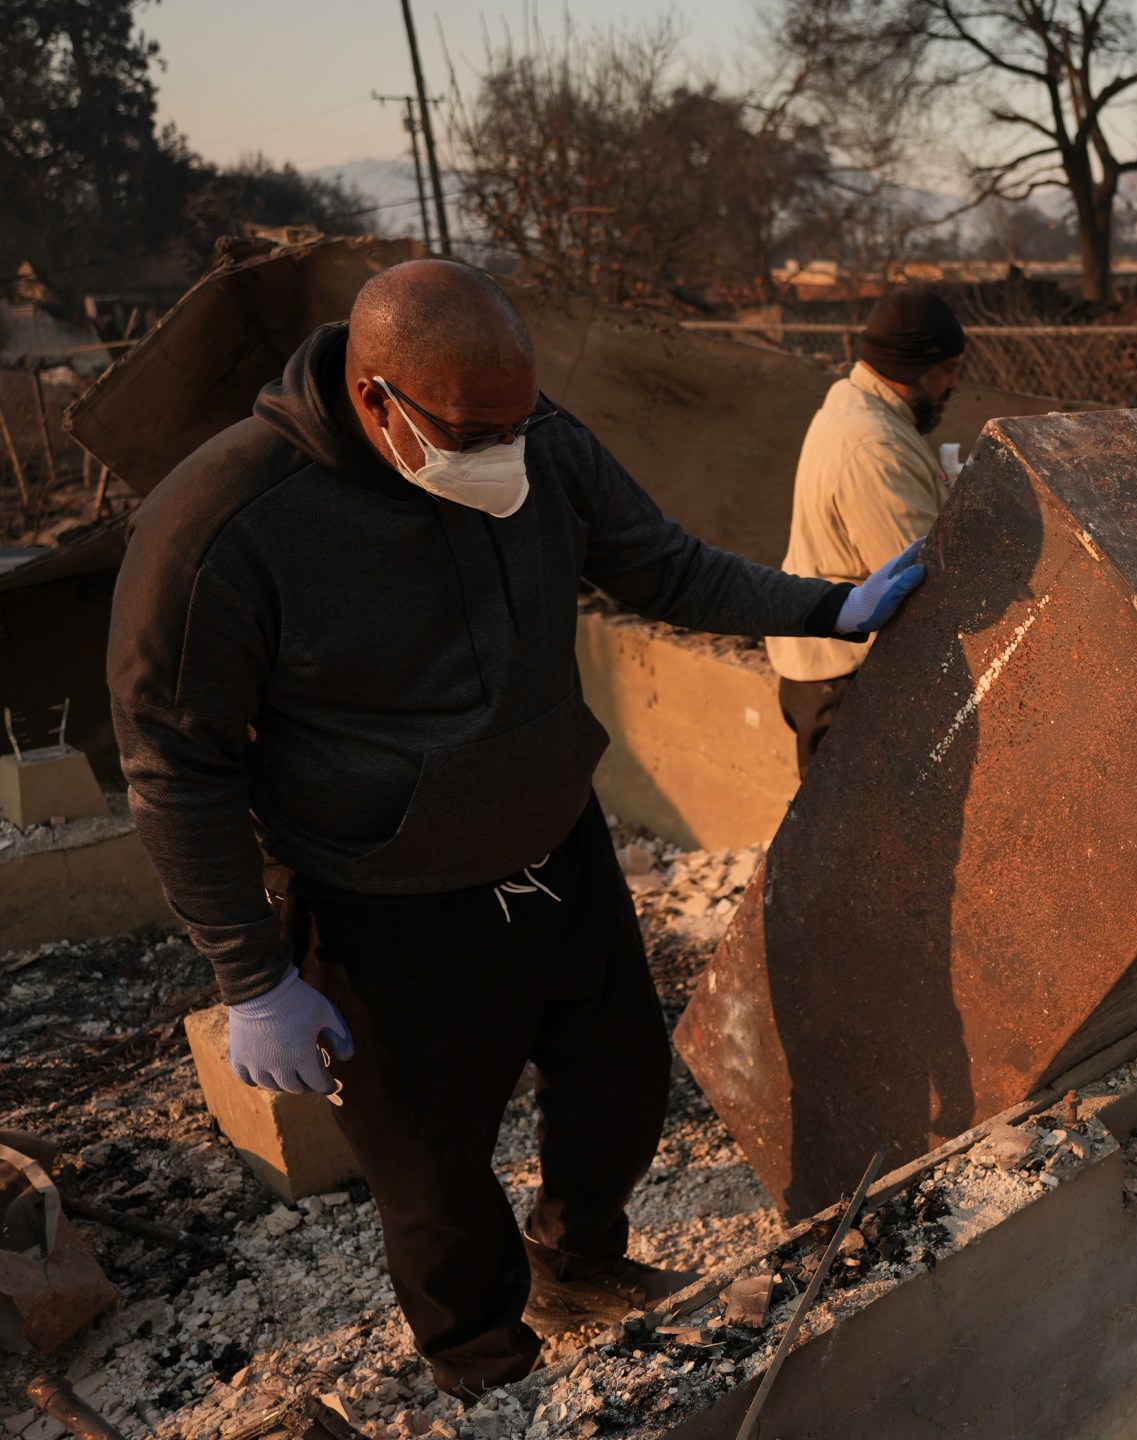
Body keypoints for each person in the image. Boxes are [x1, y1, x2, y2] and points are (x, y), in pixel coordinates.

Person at [107, 259, 927, 1398]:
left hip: (552, 850)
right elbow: (175, 765)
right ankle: (491, 1378)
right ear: (377, 396)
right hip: (386, 902)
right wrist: (252, 976)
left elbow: (658, 565)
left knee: (623, 1086)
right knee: (436, 1178)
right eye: (473, 429)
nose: (505, 448)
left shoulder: (533, 439)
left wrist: (824, 607)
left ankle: (576, 1260)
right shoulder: (224, 527)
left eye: (518, 420)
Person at [767, 287, 968, 774]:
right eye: (947, 370)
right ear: (911, 369)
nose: (952, 385)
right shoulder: (874, 447)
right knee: (852, 843)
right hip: (842, 678)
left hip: (833, 663)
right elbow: (925, 582)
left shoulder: (857, 399)